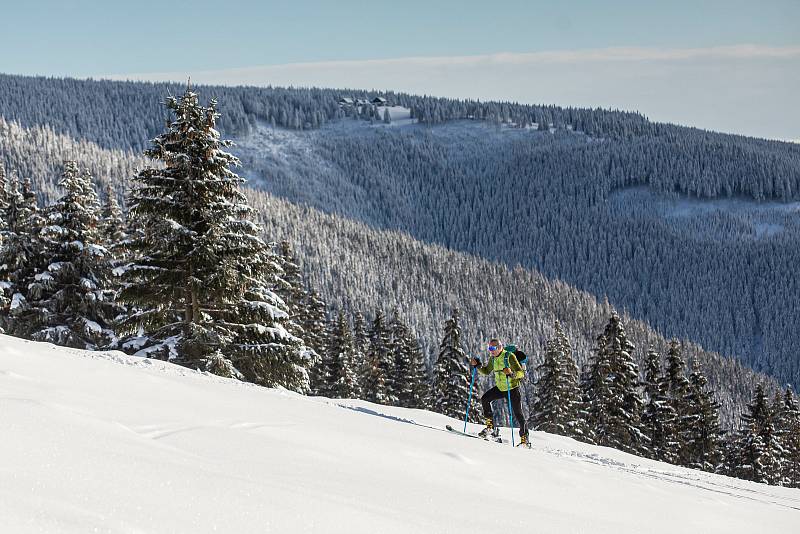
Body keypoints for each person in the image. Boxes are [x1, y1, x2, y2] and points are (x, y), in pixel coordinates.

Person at [470, 338, 529, 447]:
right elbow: (486, 371)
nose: (491, 350)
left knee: (518, 414)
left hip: (512, 388)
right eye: (489, 348)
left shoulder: (509, 356)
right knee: (485, 399)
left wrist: (512, 373)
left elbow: (521, 373)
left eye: (493, 348)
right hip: (500, 388)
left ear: (500, 347)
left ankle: (525, 440)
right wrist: (477, 366)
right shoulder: (493, 359)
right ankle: (490, 428)